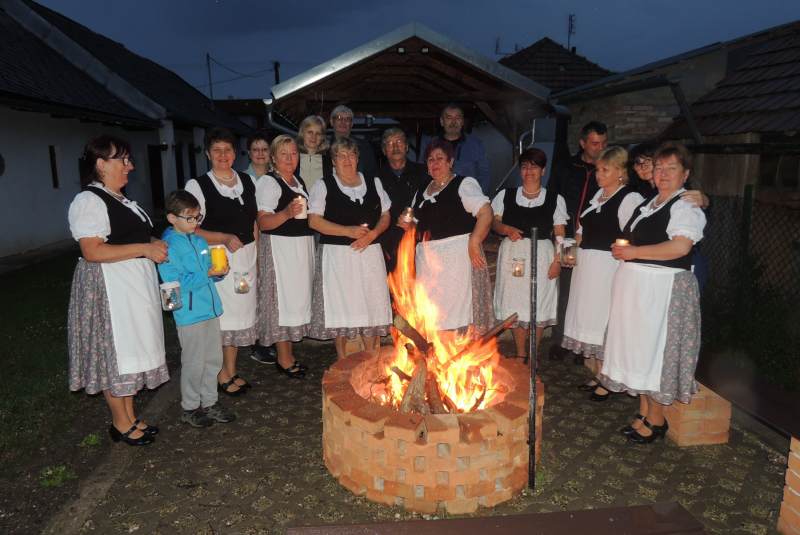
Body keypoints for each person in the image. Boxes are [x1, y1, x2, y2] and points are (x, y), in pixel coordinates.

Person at [67, 134, 169, 447]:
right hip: (108, 289)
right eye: (122, 160)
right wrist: (142, 246)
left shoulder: (120, 199)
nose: (130, 166)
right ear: (101, 164)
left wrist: (150, 243)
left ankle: (130, 414)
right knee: (116, 353)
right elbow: (93, 251)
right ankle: (120, 422)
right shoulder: (90, 201)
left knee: (130, 350)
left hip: (128, 285)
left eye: (128, 159)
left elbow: (122, 236)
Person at [603, 143, 706, 444]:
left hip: (662, 290)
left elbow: (680, 247)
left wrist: (634, 252)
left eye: (671, 168)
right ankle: (644, 413)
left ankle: (656, 420)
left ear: (685, 174)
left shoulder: (685, 205)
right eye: (659, 168)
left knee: (655, 353)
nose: (663, 173)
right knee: (641, 353)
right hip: (640, 291)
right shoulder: (650, 203)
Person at [561, 146, 643, 401]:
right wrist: (570, 252)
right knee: (589, 321)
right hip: (586, 266)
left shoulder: (629, 197)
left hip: (607, 266)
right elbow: (581, 231)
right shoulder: (598, 197)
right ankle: (598, 373)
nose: (599, 174)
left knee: (603, 322)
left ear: (621, 171)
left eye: (605, 169)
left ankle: (607, 380)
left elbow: (633, 234)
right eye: (597, 169)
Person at [186, 127, 258, 396]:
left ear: (235, 152)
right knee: (222, 318)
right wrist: (223, 237)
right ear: (207, 153)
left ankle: (231, 368)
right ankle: (219, 373)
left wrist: (257, 259)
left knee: (239, 317)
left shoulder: (247, 182)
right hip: (218, 259)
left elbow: (253, 225)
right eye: (216, 149)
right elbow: (190, 227)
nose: (223, 154)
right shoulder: (198, 186)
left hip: (246, 257)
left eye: (227, 148)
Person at [399, 139, 494, 338]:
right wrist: (409, 226)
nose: (435, 163)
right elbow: (419, 227)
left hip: (457, 259)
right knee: (433, 311)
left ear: (451, 161)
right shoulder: (421, 191)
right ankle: (437, 357)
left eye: (440, 158)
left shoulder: (464, 184)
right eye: (431, 159)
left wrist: (474, 242)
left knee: (458, 310)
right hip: (428, 262)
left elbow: (486, 213)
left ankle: (461, 357)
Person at [308, 137, 393, 360]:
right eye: (340, 155)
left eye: (351, 155)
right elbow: (314, 221)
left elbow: (386, 215)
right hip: (338, 257)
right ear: (333, 161)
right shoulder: (323, 185)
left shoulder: (373, 182)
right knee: (340, 305)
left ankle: (371, 357)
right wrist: (347, 231)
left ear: (358, 158)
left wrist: (373, 234)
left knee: (370, 304)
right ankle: (342, 359)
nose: (347, 159)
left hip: (370, 253)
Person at [158, 190, 237, 427]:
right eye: (189, 218)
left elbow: (207, 276)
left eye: (197, 217)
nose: (195, 223)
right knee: (194, 362)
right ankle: (190, 407)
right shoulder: (168, 247)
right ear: (172, 218)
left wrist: (218, 274)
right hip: (189, 315)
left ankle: (209, 402)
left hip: (210, 310)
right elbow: (175, 286)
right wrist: (207, 274)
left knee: (213, 359)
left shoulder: (201, 241)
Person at [491, 148, 567, 360]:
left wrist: (557, 261)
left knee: (538, 304)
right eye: (525, 166)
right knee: (516, 303)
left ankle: (533, 355)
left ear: (543, 171)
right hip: (513, 255)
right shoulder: (505, 195)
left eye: (534, 166)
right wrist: (506, 229)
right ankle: (521, 352)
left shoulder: (555, 199)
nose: (529, 171)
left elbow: (560, 233)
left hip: (542, 256)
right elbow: (495, 222)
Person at [545, 121, 607, 362]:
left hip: (594, 241)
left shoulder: (606, 170)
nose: (600, 147)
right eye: (595, 143)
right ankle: (561, 341)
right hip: (568, 235)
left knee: (588, 295)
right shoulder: (565, 167)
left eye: (604, 143)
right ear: (582, 143)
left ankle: (583, 347)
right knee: (567, 292)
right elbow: (552, 198)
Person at [255, 135, 314, 378]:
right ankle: (284, 357)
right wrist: (287, 213)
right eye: (284, 154)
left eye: (293, 153)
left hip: (300, 248)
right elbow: (263, 222)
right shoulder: (269, 183)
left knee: (295, 301)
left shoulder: (297, 181)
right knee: (283, 302)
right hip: (281, 249)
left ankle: (288, 353)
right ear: (273, 158)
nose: (290, 158)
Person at [629, 142, 710, 292]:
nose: (644, 167)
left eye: (648, 161)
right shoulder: (645, 196)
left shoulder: (683, 197)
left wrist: (705, 201)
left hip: (681, 266)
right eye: (638, 163)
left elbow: (695, 210)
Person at [241, 129, 278, 366]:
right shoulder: (243, 179)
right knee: (254, 289)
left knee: (269, 290)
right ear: (248, 153)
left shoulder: (277, 177)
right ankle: (255, 342)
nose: (260, 153)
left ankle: (269, 337)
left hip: (272, 239)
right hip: (251, 237)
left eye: (265, 149)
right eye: (256, 149)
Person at [373, 127, 429, 274]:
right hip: (386, 244)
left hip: (419, 242)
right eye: (390, 144)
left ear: (406, 146)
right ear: (384, 150)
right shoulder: (373, 177)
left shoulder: (424, 173)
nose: (395, 147)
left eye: (398, 142)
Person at [419, 103, 492, 194]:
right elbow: (421, 173)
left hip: (468, 200)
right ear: (442, 121)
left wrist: (478, 198)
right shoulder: (429, 145)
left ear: (462, 121)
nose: (454, 122)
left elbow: (484, 174)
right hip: (437, 199)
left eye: (457, 118)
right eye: (449, 118)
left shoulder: (475, 144)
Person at [329, 105, 377, 175]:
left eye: (347, 119)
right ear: (332, 121)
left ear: (352, 123)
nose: (343, 122)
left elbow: (372, 174)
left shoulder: (363, 146)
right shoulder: (324, 147)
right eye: (339, 118)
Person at [296, 115, 332, 194]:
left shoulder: (330, 160)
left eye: (318, 133)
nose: (314, 137)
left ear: (322, 137)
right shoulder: (293, 157)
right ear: (302, 133)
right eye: (310, 132)